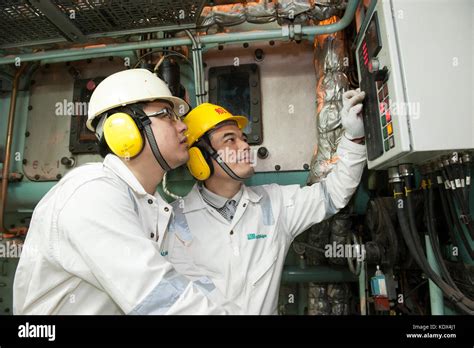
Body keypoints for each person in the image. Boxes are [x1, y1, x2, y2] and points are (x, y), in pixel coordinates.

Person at [13, 69, 239, 315]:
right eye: (167, 115)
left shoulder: (153, 206)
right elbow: (162, 302)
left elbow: (195, 283)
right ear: (124, 128)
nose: (183, 126)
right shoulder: (92, 193)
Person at [163, 90, 367, 314]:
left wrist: (354, 139)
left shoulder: (275, 203)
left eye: (243, 139)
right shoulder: (173, 222)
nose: (244, 147)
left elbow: (333, 194)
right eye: (230, 140)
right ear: (199, 158)